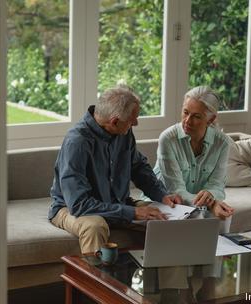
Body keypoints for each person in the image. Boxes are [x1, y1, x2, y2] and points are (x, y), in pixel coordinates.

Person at [48, 85, 182, 254]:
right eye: (132, 121)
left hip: (115, 203)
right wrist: (132, 213)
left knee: (166, 219)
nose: (136, 123)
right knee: (95, 226)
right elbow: (79, 204)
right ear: (114, 121)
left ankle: (161, 280)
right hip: (72, 208)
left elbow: (138, 167)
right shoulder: (78, 142)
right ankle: (97, 280)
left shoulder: (124, 133)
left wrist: (162, 196)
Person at [154, 85, 235, 301]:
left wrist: (214, 200)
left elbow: (217, 184)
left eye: (196, 116)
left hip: (200, 200)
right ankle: (184, 288)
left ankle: (209, 284)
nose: (187, 121)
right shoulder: (168, 139)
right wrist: (208, 202)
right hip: (167, 200)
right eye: (185, 112)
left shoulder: (222, 142)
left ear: (211, 119)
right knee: (191, 216)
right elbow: (175, 189)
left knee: (222, 215)